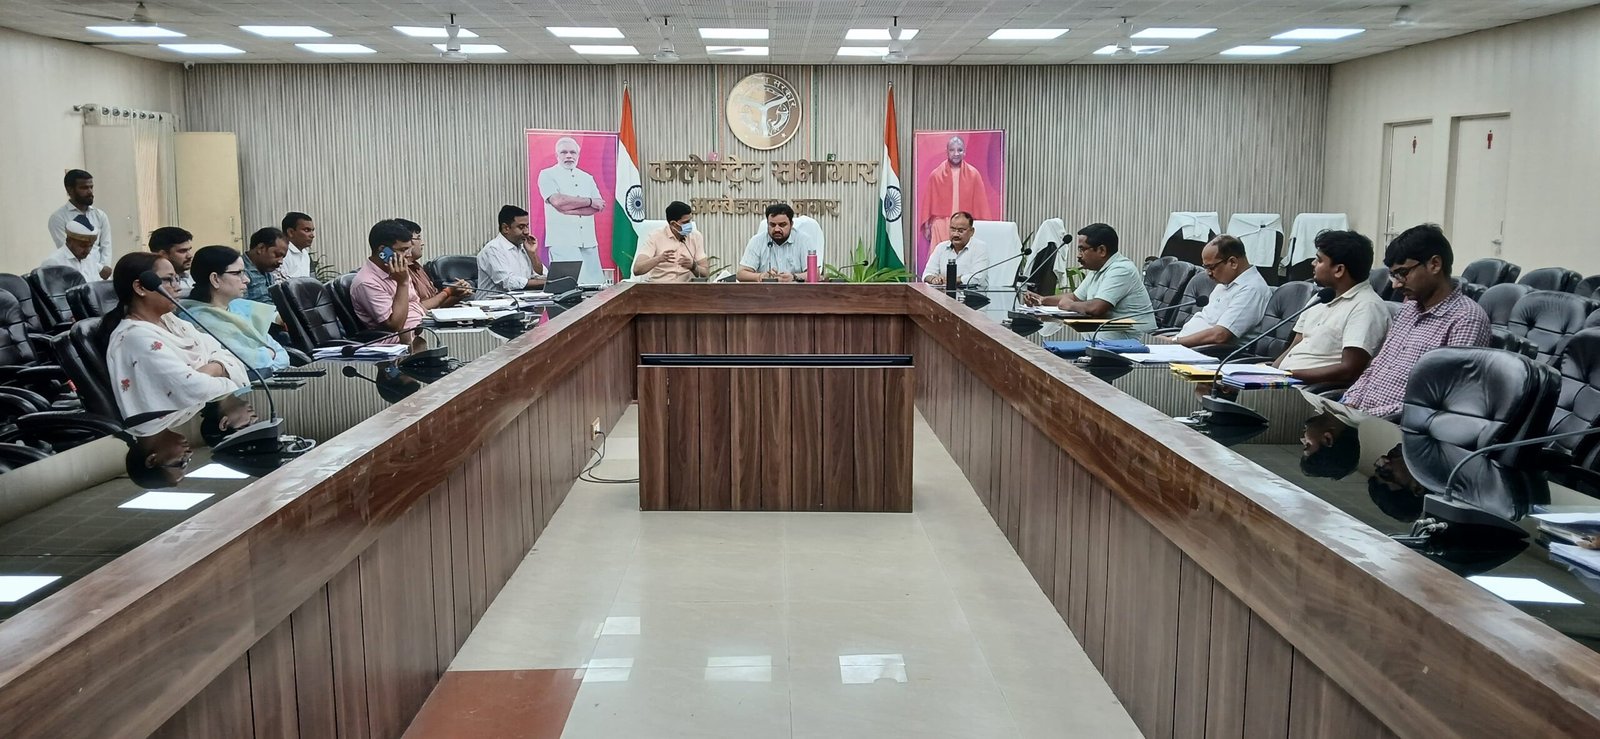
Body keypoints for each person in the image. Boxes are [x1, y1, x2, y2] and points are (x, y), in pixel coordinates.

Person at [1340, 224, 1491, 419]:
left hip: (1401, 427)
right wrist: (1347, 403)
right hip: (1362, 418)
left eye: (1403, 273)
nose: (1396, 284)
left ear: (1435, 264)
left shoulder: (1466, 319)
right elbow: (1376, 367)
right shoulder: (1408, 309)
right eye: (1393, 275)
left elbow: (1439, 399)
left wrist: (1364, 415)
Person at [97, 252, 250, 435]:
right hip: (166, 431)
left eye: (177, 279)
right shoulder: (135, 337)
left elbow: (231, 355)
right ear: (140, 287)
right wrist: (223, 370)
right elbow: (195, 388)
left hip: (193, 417)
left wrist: (211, 369)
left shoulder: (170, 320)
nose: (178, 287)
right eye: (168, 280)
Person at [1274, 230, 1392, 385]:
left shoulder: (1367, 307)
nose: (1313, 263)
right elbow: (1294, 346)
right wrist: (1267, 374)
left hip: (1310, 391)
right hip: (1282, 383)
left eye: (1319, 260)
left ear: (1339, 270)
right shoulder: (1320, 298)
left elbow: (1349, 371)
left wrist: (1287, 375)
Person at [1022, 223, 1155, 339]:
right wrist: (1042, 300)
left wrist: (1068, 305)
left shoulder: (1122, 269)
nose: (1078, 255)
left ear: (1102, 250)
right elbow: (1075, 297)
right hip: (1106, 338)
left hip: (1133, 342)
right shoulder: (1098, 269)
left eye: (1082, 249)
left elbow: (1096, 308)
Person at [180, 245, 292, 374]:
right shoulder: (199, 320)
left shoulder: (240, 306)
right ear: (215, 279)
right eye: (238, 273)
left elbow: (282, 355)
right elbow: (244, 362)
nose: (247, 280)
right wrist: (270, 354)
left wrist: (268, 358)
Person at [1174, 235, 1271, 348]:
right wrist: (1172, 340)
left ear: (1233, 262)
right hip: (1182, 344)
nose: (1208, 273)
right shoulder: (1225, 283)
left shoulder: (1252, 289)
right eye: (1205, 267)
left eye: (1211, 267)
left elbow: (1220, 335)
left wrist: (1174, 342)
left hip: (1204, 352)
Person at [537, 136, 604, 284]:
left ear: (578, 155)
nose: (569, 156)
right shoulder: (547, 174)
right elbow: (557, 201)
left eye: (573, 152)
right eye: (564, 152)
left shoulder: (587, 177)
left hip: (588, 242)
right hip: (562, 241)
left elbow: (598, 207)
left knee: (595, 287)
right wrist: (588, 201)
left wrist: (567, 208)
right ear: (557, 155)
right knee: (567, 287)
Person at [350, 219, 424, 345]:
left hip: (420, 330)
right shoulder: (367, 282)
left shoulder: (396, 270)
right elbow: (395, 325)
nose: (408, 255)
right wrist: (402, 284)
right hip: (398, 344)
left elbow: (416, 304)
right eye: (403, 250)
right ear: (383, 251)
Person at [917, 136, 994, 250]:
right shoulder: (936, 175)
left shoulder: (974, 175)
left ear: (965, 152)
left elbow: (981, 206)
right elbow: (927, 204)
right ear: (947, 151)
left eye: (960, 150)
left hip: (965, 226)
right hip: (942, 225)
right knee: (940, 256)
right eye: (952, 150)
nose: (956, 153)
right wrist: (928, 227)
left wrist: (982, 227)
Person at [396, 218, 471, 310]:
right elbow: (416, 308)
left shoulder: (418, 267)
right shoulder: (399, 272)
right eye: (418, 238)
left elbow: (437, 304)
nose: (422, 243)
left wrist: (458, 294)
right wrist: (448, 292)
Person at [48, 169, 114, 269]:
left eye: (91, 187)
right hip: (76, 271)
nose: (90, 191)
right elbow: (68, 251)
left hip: (101, 273)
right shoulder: (58, 218)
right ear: (70, 190)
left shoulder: (100, 215)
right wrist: (98, 269)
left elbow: (106, 247)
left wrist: (104, 268)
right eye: (84, 188)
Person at [633, 201, 709, 282]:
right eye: (685, 222)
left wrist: (693, 266)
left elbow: (706, 273)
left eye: (689, 221)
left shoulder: (696, 237)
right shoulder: (655, 237)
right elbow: (637, 269)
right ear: (673, 224)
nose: (689, 225)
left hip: (686, 287)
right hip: (659, 286)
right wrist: (658, 259)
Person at [478, 205, 547, 292]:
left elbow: (544, 275)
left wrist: (532, 254)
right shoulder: (493, 249)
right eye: (521, 227)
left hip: (522, 299)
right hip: (494, 300)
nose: (526, 232)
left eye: (527, 226)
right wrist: (548, 282)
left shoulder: (523, 247)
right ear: (506, 228)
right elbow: (508, 282)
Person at [737, 203, 812, 282]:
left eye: (782, 225)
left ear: (791, 224)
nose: (777, 229)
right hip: (765, 289)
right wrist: (761, 276)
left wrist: (794, 277)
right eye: (772, 225)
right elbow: (741, 274)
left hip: (796, 289)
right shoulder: (757, 241)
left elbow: (815, 274)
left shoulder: (803, 240)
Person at [922, 211, 992, 287]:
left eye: (961, 231)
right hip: (944, 293)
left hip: (973, 293)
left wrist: (952, 280)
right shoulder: (941, 248)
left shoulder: (980, 248)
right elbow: (927, 274)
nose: (955, 234)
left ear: (972, 231)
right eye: (952, 229)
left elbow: (978, 278)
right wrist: (934, 279)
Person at [40, 219, 108, 281]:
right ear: (69, 241)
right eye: (83, 246)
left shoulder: (90, 259)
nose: (88, 250)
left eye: (91, 246)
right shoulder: (53, 262)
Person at [241, 227, 289, 304]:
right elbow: (239, 307)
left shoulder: (267, 269)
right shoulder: (239, 272)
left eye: (283, 257)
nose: (280, 261)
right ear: (261, 248)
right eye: (277, 255)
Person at [148, 226, 196, 291]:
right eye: (182, 251)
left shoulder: (191, 278)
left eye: (189, 250)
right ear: (162, 254)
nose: (190, 256)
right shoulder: (154, 285)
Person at [279, 212, 316, 280]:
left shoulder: (305, 254)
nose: (312, 235)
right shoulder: (281, 254)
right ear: (291, 232)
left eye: (312, 230)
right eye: (307, 230)